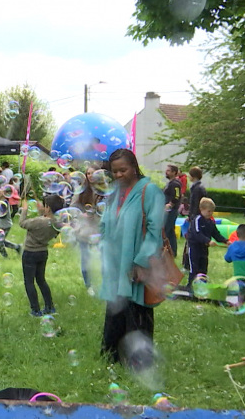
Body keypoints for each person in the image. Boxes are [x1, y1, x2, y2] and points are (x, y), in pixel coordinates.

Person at [99, 148, 164, 370]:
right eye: (114, 171)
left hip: (136, 263)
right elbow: (106, 223)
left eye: (123, 170)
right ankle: (111, 356)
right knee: (115, 309)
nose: (118, 175)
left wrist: (142, 262)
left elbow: (156, 230)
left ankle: (140, 362)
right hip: (115, 264)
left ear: (134, 167)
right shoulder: (114, 193)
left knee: (137, 311)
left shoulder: (150, 191)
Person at [19, 194, 63, 316]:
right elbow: (45, 222)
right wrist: (41, 212)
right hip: (43, 253)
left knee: (29, 282)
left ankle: (35, 310)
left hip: (30, 253)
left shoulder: (38, 221)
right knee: (41, 280)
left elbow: (22, 223)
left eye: (45, 206)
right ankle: (50, 307)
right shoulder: (56, 223)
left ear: (47, 208)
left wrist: (24, 210)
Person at [72, 166, 104, 296]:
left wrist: (97, 213)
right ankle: (89, 285)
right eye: (88, 173)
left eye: (93, 173)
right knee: (86, 258)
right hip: (85, 230)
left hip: (99, 229)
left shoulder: (104, 191)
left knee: (103, 258)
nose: (90, 176)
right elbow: (73, 207)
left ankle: (105, 284)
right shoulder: (81, 191)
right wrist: (82, 215)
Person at [185, 197, 229, 287]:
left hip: (204, 249)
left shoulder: (211, 222)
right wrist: (208, 241)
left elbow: (216, 234)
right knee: (194, 268)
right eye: (209, 211)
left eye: (212, 211)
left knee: (203, 268)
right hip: (194, 248)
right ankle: (190, 286)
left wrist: (225, 241)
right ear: (202, 209)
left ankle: (202, 286)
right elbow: (197, 233)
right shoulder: (197, 220)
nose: (211, 213)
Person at [0, 191, 22, 259]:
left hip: (5, 225)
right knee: (1, 241)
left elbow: (2, 215)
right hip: (1, 225)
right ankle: (17, 247)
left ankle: (5, 257)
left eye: (1, 191)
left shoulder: (5, 203)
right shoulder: (0, 202)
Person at [163, 164, 182, 256]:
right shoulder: (169, 183)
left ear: (174, 173)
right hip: (167, 211)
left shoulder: (175, 184)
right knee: (170, 231)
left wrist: (170, 204)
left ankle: (166, 250)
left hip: (171, 211)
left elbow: (177, 196)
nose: (166, 172)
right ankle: (172, 251)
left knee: (167, 229)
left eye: (169, 171)